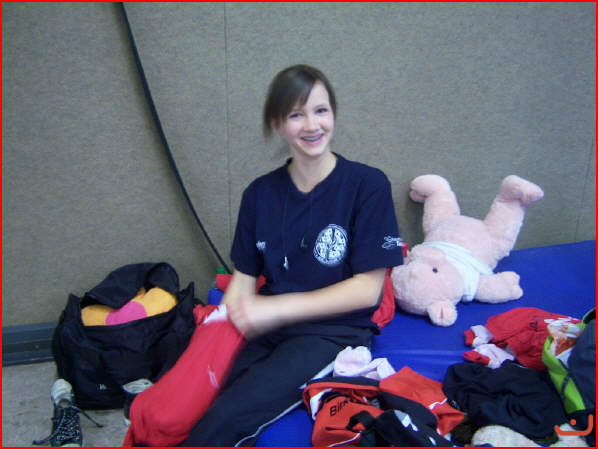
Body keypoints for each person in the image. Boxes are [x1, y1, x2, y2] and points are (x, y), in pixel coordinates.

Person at [181, 64, 403, 446]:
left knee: (226, 418)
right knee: (190, 397)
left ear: (333, 114)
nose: (312, 125)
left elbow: (368, 290)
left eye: (321, 110)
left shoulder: (367, 185)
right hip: (267, 326)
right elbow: (243, 279)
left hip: (332, 333)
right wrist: (220, 331)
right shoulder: (259, 194)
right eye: (296, 115)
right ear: (278, 124)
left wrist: (274, 309)